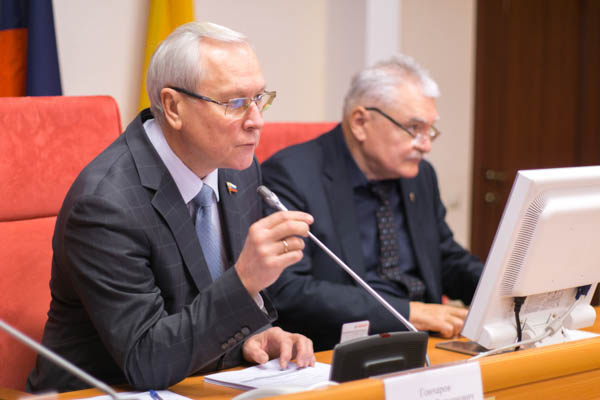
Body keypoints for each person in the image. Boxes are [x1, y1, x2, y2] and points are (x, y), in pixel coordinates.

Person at [27, 22, 316, 393]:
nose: (256, 121)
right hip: (99, 391)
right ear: (173, 106)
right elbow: (145, 359)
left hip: (196, 384)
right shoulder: (105, 204)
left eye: (259, 98)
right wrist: (245, 281)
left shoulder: (238, 171)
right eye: (235, 103)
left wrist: (253, 335)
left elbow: (201, 307)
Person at [261, 55, 483, 351]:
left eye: (429, 130)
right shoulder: (293, 175)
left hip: (430, 344)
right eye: (413, 128)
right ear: (360, 122)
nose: (426, 145)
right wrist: (410, 313)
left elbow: (445, 258)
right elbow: (290, 291)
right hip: (344, 349)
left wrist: (504, 291)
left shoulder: (420, 176)